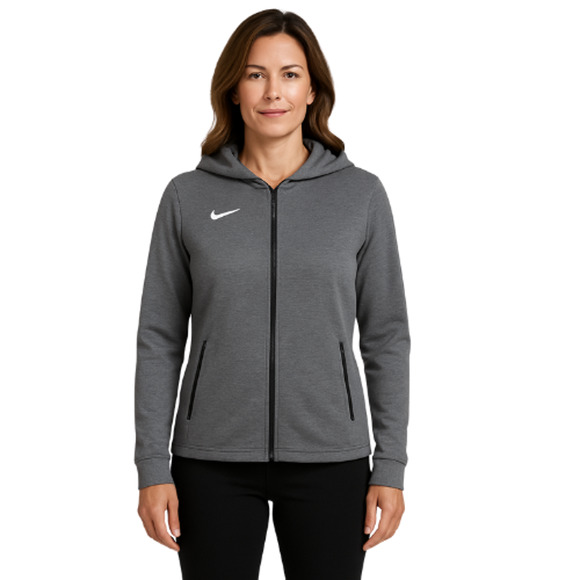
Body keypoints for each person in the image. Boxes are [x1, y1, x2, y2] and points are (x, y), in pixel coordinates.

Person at [134, 8, 411, 580]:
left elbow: (386, 337)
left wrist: (390, 464)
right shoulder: (188, 196)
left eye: (290, 74)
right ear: (233, 89)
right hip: (209, 459)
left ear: (313, 90)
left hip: (331, 455)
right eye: (255, 74)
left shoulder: (361, 196)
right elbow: (159, 338)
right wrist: (152, 466)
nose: (272, 92)